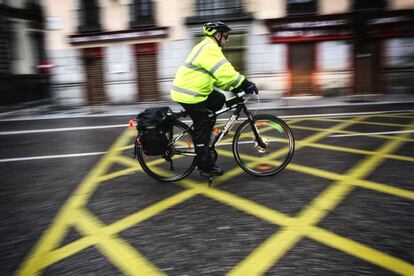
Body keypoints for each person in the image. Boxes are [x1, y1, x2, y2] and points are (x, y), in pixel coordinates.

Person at [170, 21, 258, 175]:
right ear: (217, 35)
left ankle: (206, 126)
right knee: (203, 123)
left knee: (219, 99)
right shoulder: (209, 49)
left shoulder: (207, 46)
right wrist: (245, 83)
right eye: (226, 36)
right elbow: (225, 72)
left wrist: (234, 87)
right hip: (189, 93)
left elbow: (218, 78)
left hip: (195, 89)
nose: (228, 39)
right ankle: (204, 165)